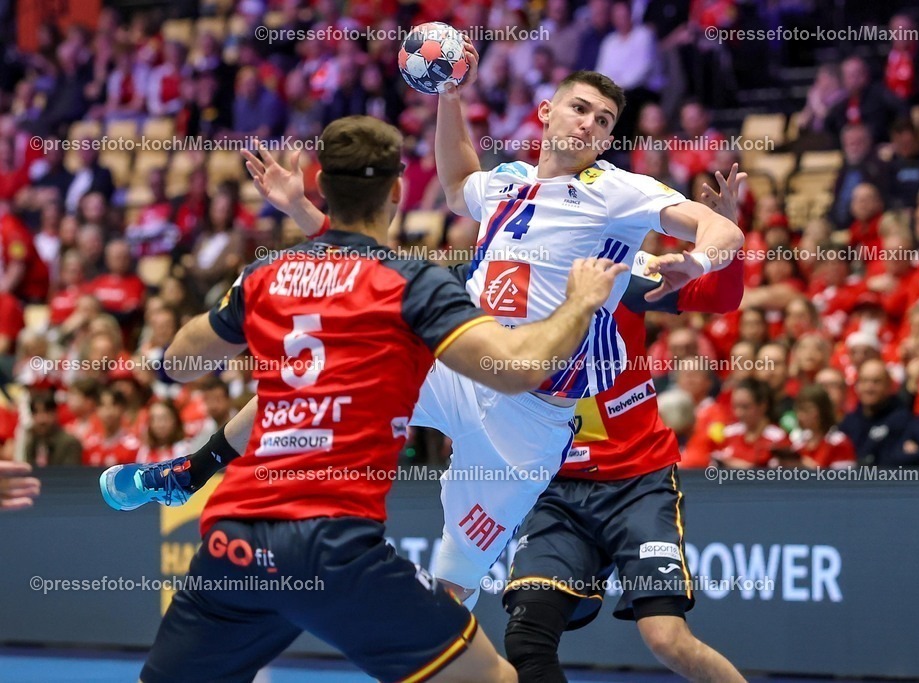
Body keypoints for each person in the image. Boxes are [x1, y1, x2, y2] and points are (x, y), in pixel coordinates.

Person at [100, 115, 627, 683]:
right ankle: (191, 469)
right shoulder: (411, 285)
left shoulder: (266, 274)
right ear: (398, 191)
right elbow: (519, 366)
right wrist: (580, 302)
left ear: (322, 182)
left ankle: (193, 470)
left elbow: (179, 364)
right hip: (333, 547)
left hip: (236, 538)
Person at [237, 64, 742, 607]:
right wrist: (449, 95)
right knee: (315, 379)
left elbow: (723, 233)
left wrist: (697, 260)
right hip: (463, 369)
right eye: (579, 109)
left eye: (604, 120)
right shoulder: (506, 186)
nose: (589, 125)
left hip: (530, 420)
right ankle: (193, 470)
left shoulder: (619, 200)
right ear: (545, 113)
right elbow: (455, 186)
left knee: (451, 587)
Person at [500, 167, 747, 683]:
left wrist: (724, 249)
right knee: (526, 638)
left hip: (636, 480)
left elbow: (720, 300)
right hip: (555, 484)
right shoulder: (507, 280)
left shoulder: (626, 273)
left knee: (667, 640)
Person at [839, 358, 910, 467]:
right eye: (864, 381)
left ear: (889, 385)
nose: (869, 388)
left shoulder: (904, 420)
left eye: (876, 382)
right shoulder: (848, 422)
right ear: (856, 386)